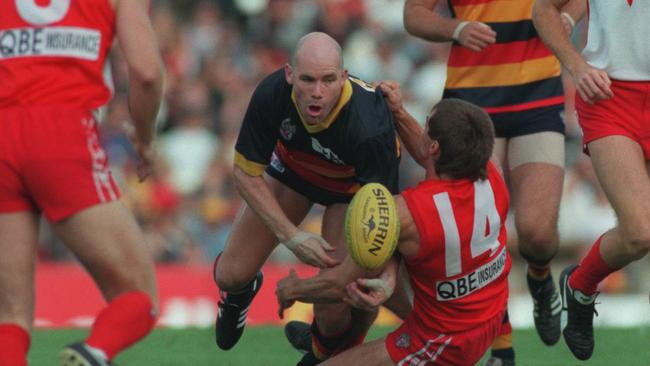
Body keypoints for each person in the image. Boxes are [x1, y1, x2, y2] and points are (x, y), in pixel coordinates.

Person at [401, 1, 586, 363]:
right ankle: (503, 348)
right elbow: (413, 14)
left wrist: (567, 17)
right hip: (470, 106)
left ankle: (539, 275)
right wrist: (455, 29)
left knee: (538, 233)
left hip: (537, 98)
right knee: (480, 235)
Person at [276, 97, 512, 366]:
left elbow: (339, 283)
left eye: (426, 126)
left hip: (443, 341)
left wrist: (293, 289)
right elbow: (430, 155)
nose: (421, 132)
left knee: (366, 261)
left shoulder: (408, 212)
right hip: (488, 313)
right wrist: (398, 111)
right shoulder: (491, 172)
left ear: (433, 146)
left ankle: (328, 348)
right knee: (377, 264)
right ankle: (335, 345)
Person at [212, 32, 400, 362]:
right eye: (307, 79)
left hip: (353, 194)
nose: (317, 92)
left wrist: (389, 271)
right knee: (229, 274)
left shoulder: (369, 123)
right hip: (294, 174)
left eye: (328, 80)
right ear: (289, 74)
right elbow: (244, 172)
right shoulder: (272, 92)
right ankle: (241, 293)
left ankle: (318, 351)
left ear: (344, 77)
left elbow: (387, 210)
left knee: (334, 302)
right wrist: (293, 237)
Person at [0, 1, 164, 365]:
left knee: (9, 319)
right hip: (62, 129)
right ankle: (92, 354)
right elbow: (147, 71)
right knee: (139, 297)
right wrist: (145, 137)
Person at [533, 0, 650, 361]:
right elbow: (543, 10)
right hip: (609, 95)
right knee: (639, 232)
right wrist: (577, 65)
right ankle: (580, 285)